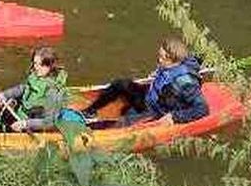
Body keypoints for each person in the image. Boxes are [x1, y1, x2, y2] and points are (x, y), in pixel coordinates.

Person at [81, 36, 209, 126]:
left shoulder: (185, 83)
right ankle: (90, 111)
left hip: (156, 111)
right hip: (149, 97)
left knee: (125, 121)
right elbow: (194, 58)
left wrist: (174, 117)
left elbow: (202, 109)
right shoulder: (180, 60)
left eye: (161, 58)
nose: (158, 60)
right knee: (121, 84)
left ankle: (98, 129)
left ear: (171, 60)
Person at [0, 46, 69, 133]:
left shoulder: (53, 92)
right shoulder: (36, 77)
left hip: (33, 126)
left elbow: (49, 122)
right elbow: (23, 88)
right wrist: (5, 95)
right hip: (20, 115)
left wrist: (26, 124)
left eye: (41, 65)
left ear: (50, 66)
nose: (36, 68)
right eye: (35, 63)